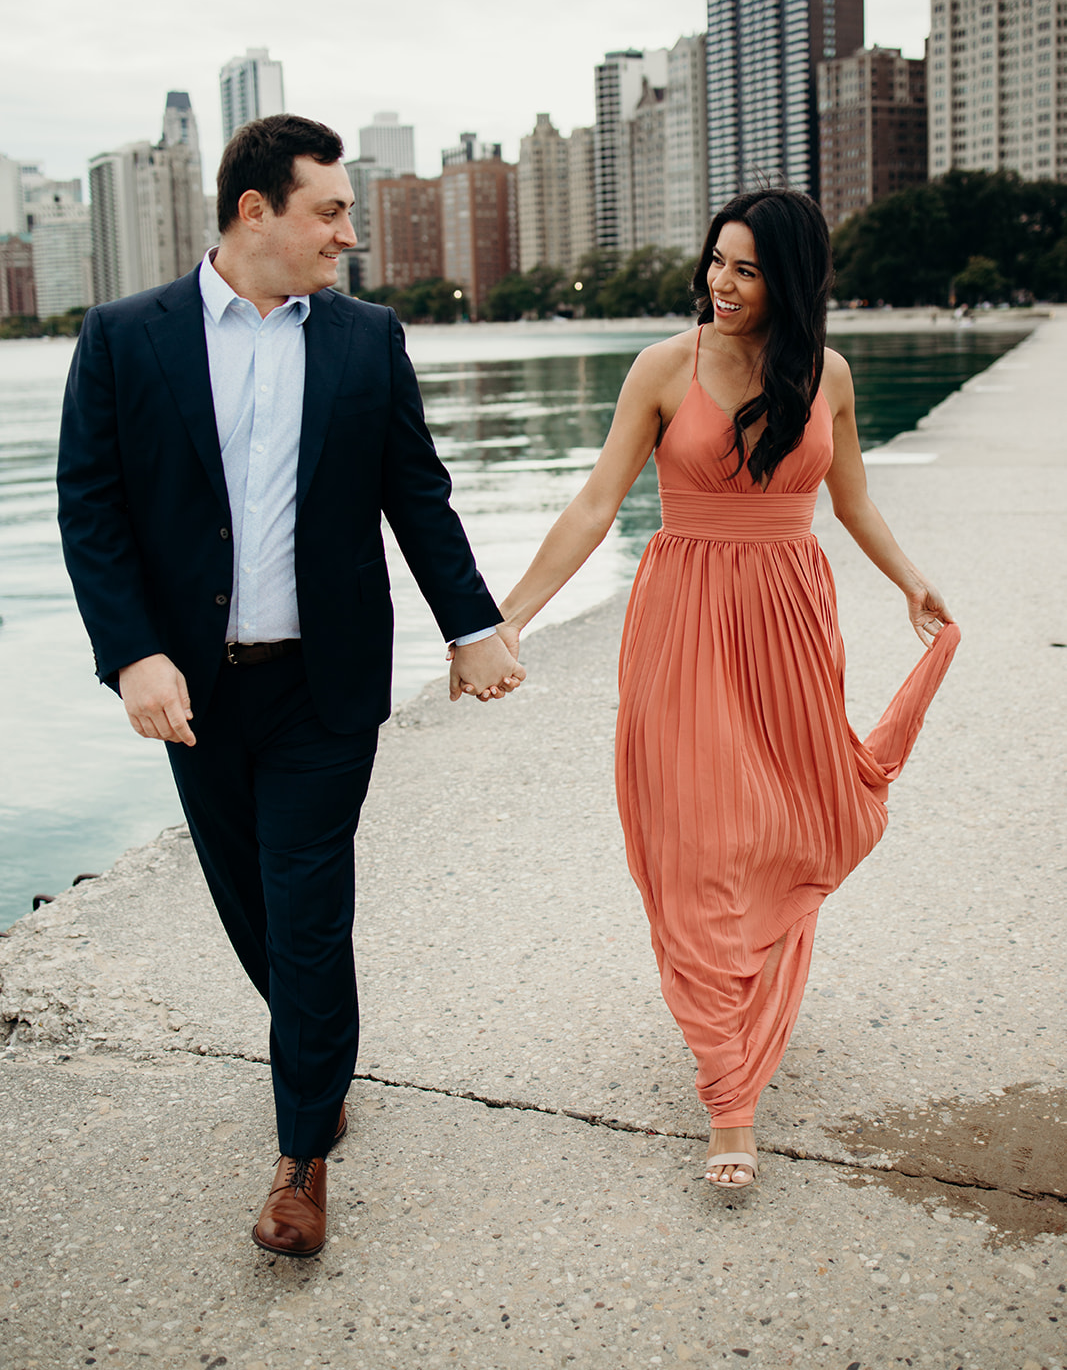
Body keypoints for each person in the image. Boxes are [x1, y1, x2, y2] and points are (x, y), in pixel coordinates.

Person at [57, 114, 522, 1256]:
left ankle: (299, 1159)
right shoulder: (124, 337)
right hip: (192, 694)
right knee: (252, 905)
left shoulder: (366, 339)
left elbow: (416, 493)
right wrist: (132, 653)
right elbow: (92, 509)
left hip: (326, 686)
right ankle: (322, 1058)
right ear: (254, 211)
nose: (347, 235)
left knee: (308, 910)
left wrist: (472, 623)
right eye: (329, 211)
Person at [456, 188, 959, 1190]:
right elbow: (595, 502)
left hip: (788, 622)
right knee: (690, 838)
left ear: (792, 278)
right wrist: (502, 617)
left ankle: (751, 992)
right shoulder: (661, 368)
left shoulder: (830, 375)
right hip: (682, 618)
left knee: (781, 823)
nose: (719, 286)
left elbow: (848, 499)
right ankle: (728, 1091)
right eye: (714, 263)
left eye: (745, 268)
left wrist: (909, 579)